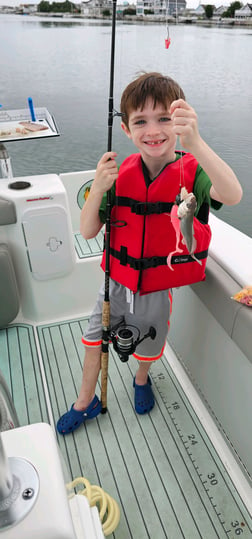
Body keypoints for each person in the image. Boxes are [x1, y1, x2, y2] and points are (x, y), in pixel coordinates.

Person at [57, 72, 242, 435]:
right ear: (126, 130)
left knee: (150, 345)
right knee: (94, 341)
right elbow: (88, 230)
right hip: (115, 282)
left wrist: (197, 142)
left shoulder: (194, 172)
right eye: (140, 121)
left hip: (158, 286)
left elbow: (232, 194)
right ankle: (85, 400)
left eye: (164, 119)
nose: (153, 130)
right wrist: (98, 188)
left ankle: (142, 379)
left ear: (179, 122)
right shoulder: (116, 174)